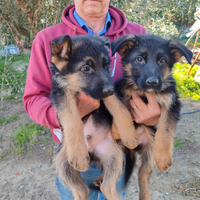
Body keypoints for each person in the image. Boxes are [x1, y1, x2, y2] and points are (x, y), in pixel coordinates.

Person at [23, 0, 161, 199]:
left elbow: (150, 83)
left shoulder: (137, 34)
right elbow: (33, 98)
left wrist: (152, 115)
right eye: (86, 68)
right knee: (69, 179)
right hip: (73, 146)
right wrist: (69, 118)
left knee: (113, 188)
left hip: (117, 145)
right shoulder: (48, 39)